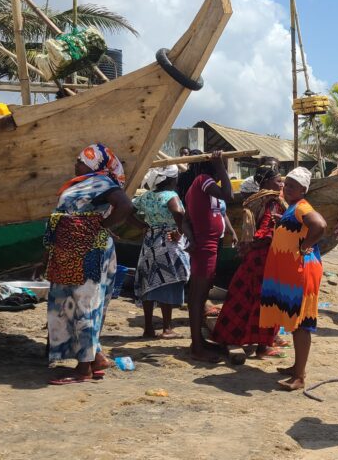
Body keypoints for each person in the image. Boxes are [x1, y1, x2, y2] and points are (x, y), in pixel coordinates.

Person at [39, 143, 133, 384]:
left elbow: (125, 206)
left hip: (88, 253)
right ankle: (95, 358)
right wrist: (46, 257)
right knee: (69, 302)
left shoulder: (103, 182)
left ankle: (83, 370)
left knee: (85, 304)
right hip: (68, 251)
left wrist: (99, 226)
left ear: (94, 164)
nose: (76, 163)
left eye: (81, 160)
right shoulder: (83, 183)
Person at [259, 167, 327, 391]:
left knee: (301, 324)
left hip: (302, 271)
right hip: (293, 273)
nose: (287, 188)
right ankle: (297, 367)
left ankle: (299, 377)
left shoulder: (302, 207)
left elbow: (320, 225)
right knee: (295, 321)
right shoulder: (293, 208)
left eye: (293, 186)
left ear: (303, 190)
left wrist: (305, 245)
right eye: (286, 184)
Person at [212, 166, 286, 360]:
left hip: (253, 258)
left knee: (243, 299)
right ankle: (263, 347)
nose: (282, 184)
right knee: (266, 302)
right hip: (265, 258)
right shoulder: (273, 201)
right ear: (266, 183)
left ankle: (231, 336)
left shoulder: (255, 200)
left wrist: (248, 247)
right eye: (278, 181)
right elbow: (267, 231)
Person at [182, 151, 234, 361]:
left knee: (199, 296)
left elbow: (186, 219)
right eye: (222, 169)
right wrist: (220, 165)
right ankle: (197, 347)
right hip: (205, 247)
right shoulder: (203, 180)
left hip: (206, 246)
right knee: (198, 297)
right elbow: (229, 195)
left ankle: (198, 341)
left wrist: (190, 237)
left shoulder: (199, 188)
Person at [131, 165, 190, 340]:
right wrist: (180, 231)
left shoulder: (146, 196)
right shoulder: (170, 195)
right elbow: (178, 212)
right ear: (172, 179)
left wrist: (141, 226)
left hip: (149, 243)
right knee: (166, 282)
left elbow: (127, 211)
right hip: (167, 242)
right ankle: (167, 328)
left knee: (148, 283)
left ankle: (148, 328)